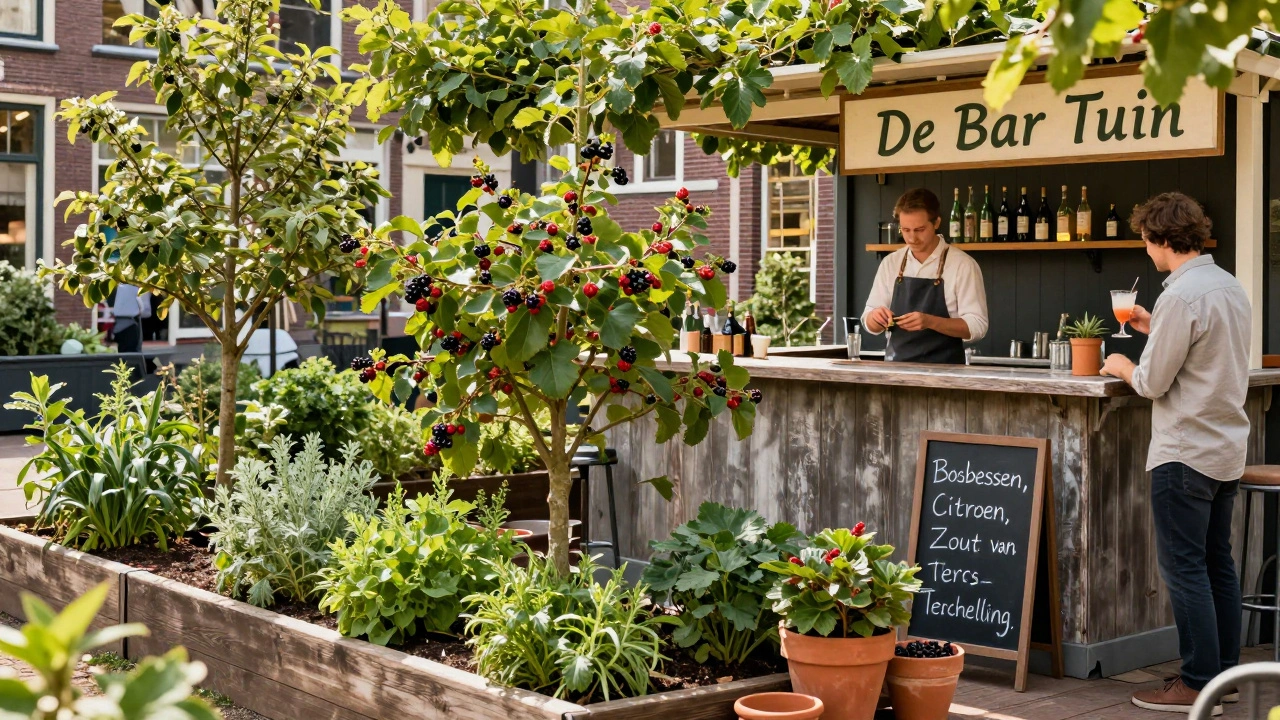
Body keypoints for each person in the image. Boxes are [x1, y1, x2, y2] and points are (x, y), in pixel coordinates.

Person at [1100, 192, 1250, 714]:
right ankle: (1222, 676)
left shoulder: (1181, 295)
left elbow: (1151, 381)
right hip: (1224, 446)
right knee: (1216, 566)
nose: (1146, 252)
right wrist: (1152, 326)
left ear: (1162, 239)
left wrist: (1119, 362)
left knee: (1185, 570)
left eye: (1146, 241)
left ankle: (1195, 683)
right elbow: (1204, 355)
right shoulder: (1228, 286)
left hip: (1183, 450)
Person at [861, 188, 988, 363]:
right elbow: (868, 321)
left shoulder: (962, 265)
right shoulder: (891, 263)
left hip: (946, 376)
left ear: (936, 222)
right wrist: (875, 317)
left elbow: (977, 326)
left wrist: (930, 322)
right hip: (895, 373)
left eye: (920, 229)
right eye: (905, 230)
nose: (912, 238)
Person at [111, 284, 151, 354]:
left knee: (123, 350)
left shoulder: (118, 286)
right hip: (131, 323)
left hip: (119, 323)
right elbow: (144, 311)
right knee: (132, 351)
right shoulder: (135, 287)